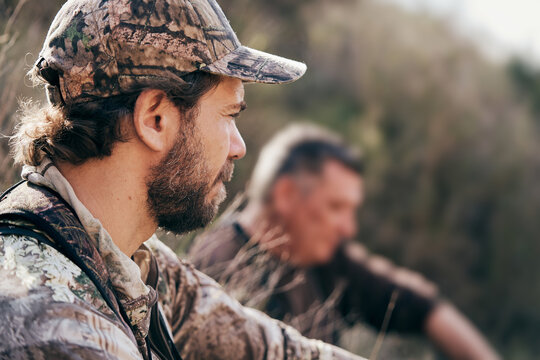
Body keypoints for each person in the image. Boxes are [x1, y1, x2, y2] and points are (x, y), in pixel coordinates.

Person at [0, 1, 368, 359]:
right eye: (228, 114)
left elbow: (271, 348)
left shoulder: (126, 257)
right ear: (155, 119)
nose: (238, 147)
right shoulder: (59, 334)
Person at [189, 123, 501, 360]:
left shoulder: (323, 257)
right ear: (286, 194)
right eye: (336, 207)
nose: (348, 228)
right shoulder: (217, 271)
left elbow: (425, 308)